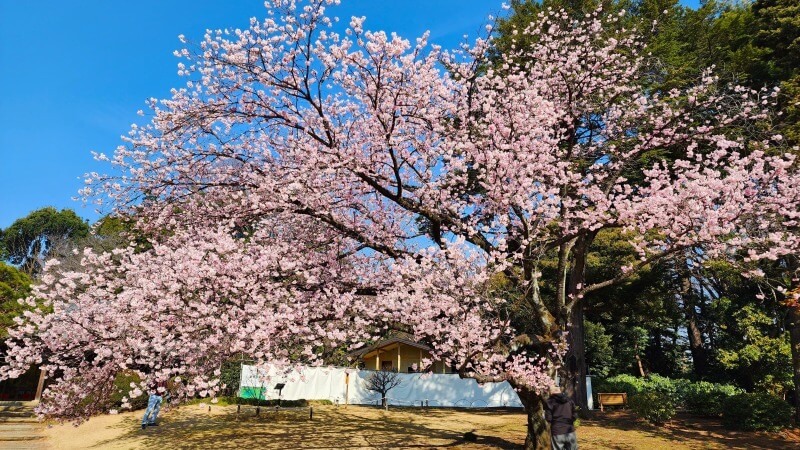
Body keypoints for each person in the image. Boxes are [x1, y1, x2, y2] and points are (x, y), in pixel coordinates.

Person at [544, 385, 578, 450]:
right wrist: (570, 421)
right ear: (559, 390)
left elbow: (548, 418)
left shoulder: (549, 402)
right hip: (570, 430)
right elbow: (575, 414)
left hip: (557, 430)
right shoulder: (569, 400)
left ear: (551, 392)